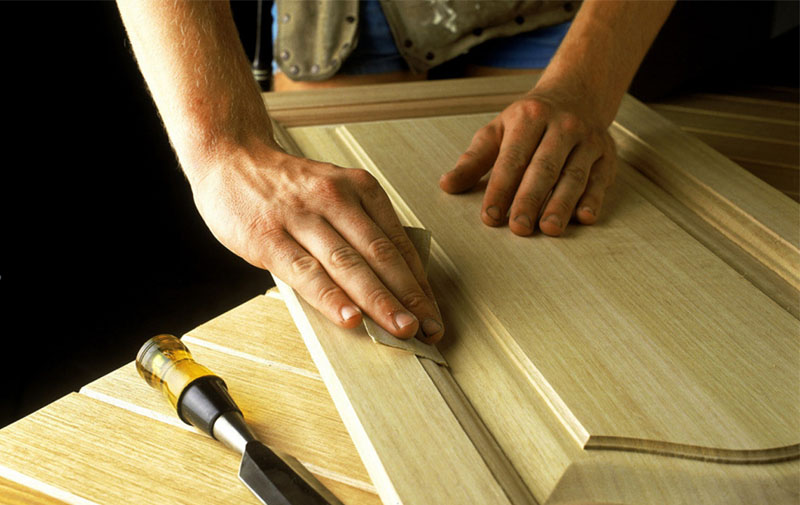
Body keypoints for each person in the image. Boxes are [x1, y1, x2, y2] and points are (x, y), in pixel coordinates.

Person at [116, 0, 674, 345]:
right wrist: (223, 146)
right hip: (340, 13)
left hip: (552, 9)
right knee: (328, 271)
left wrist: (584, 86)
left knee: (554, 232)